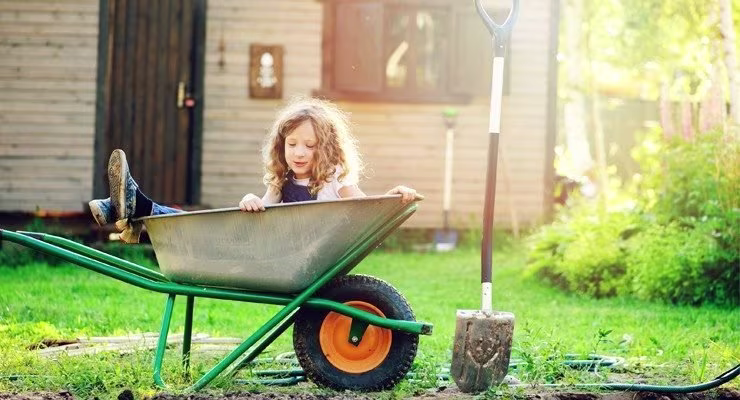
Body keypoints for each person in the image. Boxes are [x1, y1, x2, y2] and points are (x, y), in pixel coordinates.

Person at [89, 97, 418, 243]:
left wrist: (392, 197)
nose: (299, 152)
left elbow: (364, 207)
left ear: (327, 147)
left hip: (300, 256)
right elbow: (267, 208)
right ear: (282, 144)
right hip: (273, 245)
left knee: (209, 229)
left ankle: (136, 210)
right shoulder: (282, 178)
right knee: (211, 225)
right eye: (292, 144)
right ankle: (132, 210)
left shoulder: (336, 178)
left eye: (310, 145)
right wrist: (252, 200)